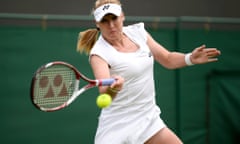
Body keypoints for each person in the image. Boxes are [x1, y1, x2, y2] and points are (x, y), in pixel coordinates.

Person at [77, 0, 221, 143]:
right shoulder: (99, 54)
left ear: (122, 16)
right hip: (116, 126)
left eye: (114, 18)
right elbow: (104, 93)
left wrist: (190, 58)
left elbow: (168, 59)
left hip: (148, 119)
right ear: (97, 23)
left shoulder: (138, 32)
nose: (111, 25)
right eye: (104, 21)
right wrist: (114, 89)